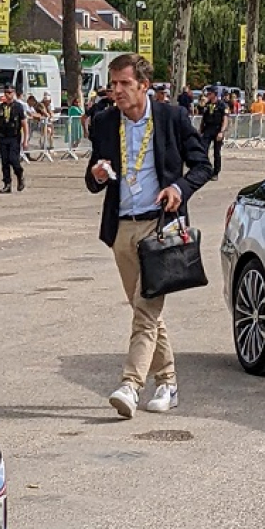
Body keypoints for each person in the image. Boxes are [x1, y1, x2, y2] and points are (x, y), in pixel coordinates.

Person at [86, 53, 211, 419]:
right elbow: (93, 177)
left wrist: (179, 188)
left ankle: (131, 384)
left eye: (125, 83)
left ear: (145, 86)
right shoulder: (106, 122)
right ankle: (168, 381)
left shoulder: (172, 118)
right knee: (146, 310)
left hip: (159, 227)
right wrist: (96, 174)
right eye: (114, 83)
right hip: (121, 227)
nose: (117, 91)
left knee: (145, 309)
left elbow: (203, 166)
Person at [0, 83, 28, 193]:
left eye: (10, 92)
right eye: (6, 92)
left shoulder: (18, 107)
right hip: (3, 137)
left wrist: (25, 140)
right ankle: (7, 184)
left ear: (14, 93)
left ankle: (19, 175)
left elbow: (24, 124)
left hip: (14, 137)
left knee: (13, 160)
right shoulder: (1, 107)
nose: (8, 95)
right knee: (5, 162)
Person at [199, 86, 229, 181]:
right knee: (203, 150)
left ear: (215, 94)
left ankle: (216, 172)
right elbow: (203, 118)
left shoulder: (222, 105)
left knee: (216, 153)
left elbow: (225, 119)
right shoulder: (207, 105)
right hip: (208, 129)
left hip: (217, 129)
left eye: (210, 93)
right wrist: (200, 130)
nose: (208, 95)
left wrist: (222, 132)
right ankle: (205, 169)